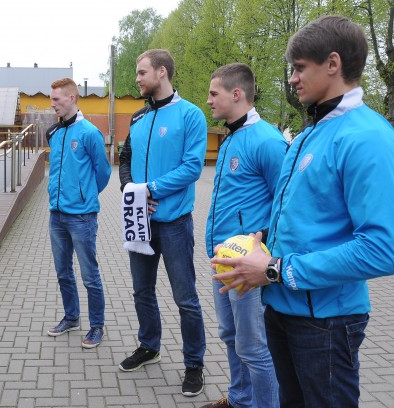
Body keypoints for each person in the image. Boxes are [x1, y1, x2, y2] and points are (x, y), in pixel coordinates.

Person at [211, 16, 394, 407]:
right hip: (282, 308)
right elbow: (300, 218)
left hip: (327, 323)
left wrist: (274, 269)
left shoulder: (368, 137)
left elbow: (383, 251)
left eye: (300, 68)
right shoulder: (309, 134)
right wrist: (258, 244)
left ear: (333, 64)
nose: (293, 78)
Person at [118, 49, 207, 397]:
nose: (137, 78)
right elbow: (125, 159)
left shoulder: (191, 115)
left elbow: (192, 168)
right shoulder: (138, 117)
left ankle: (194, 364)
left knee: (185, 298)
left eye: (142, 72)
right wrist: (131, 190)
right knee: (142, 291)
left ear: (161, 72)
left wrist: (150, 189)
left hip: (174, 224)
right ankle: (149, 346)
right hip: (138, 218)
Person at [202, 63, 286, 408]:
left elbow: (286, 204)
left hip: (248, 264)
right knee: (231, 336)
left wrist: (261, 241)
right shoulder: (231, 138)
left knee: (254, 347)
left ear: (236, 94)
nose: (209, 100)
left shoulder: (268, 140)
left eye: (214, 93)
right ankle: (239, 399)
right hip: (223, 259)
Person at [45, 78, 111, 349]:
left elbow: (103, 172)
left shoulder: (90, 133)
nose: (52, 104)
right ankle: (71, 317)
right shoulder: (54, 132)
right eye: (51, 99)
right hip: (56, 215)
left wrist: (86, 196)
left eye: (56, 99)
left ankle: (97, 326)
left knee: (89, 275)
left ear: (72, 98)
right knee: (63, 272)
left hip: (82, 217)